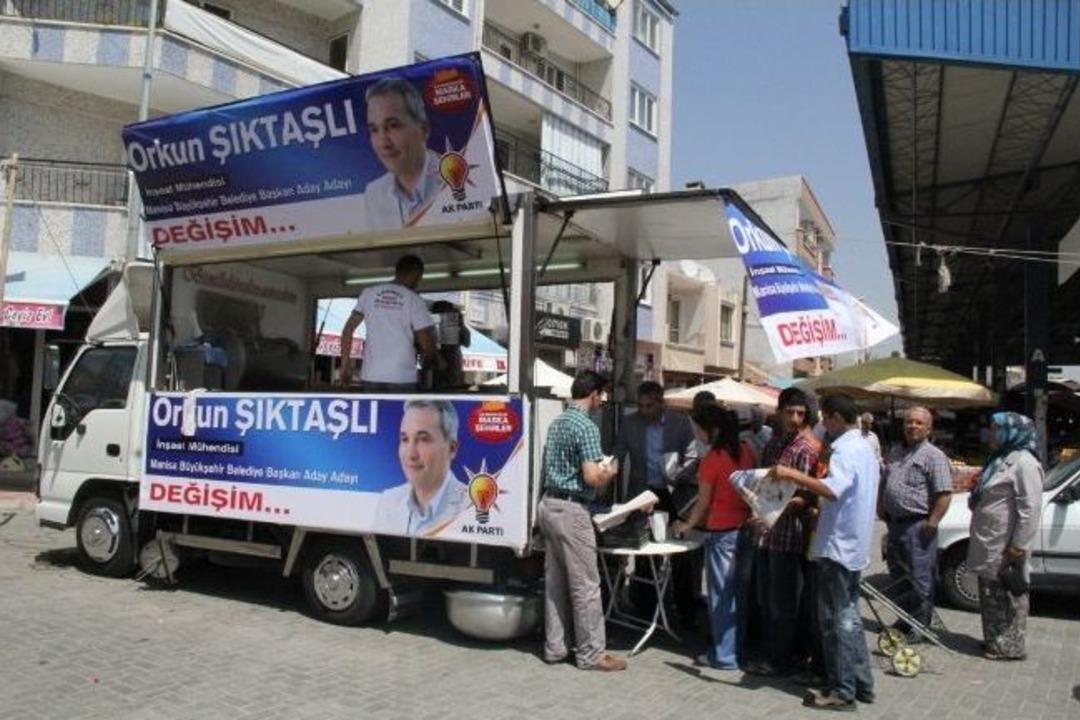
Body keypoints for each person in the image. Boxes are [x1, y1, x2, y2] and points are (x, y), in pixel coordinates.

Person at [769, 393, 879, 711]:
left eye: (823, 419)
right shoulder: (863, 447)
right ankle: (861, 683)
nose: (821, 426)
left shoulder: (845, 449)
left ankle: (842, 690)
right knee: (849, 617)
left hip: (839, 546)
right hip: (851, 543)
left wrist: (792, 474)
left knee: (836, 620)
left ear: (833, 417)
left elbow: (833, 488)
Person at [537, 370, 626, 671]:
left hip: (549, 504)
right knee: (586, 585)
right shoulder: (586, 426)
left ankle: (555, 647)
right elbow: (591, 475)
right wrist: (610, 471)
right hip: (573, 509)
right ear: (594, 394)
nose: (603, 401)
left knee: (555, 584)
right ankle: (591, 654)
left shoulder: (558, 422)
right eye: (603, 395)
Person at [741, 387, 823, 677]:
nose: (795, 418)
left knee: (783, 603)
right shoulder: (774, 444)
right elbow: (763, 484)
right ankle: (773, 653)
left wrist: (772, 512)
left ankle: (782, 660)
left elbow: (808, 496)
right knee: (765, 600)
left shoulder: (806, 448)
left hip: (788, 535)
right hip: (764, 534)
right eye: (790, 412)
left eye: (801, 413)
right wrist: (756, 506)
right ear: (779, 412)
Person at [672, 405, 753, 670]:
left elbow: (703, 502)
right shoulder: (746, 452)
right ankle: (737, 650)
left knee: (720, 596)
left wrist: (686, 525)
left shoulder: (711, 460)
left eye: (698, 429)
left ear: (712, 429)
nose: (697, 435)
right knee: (739, 595)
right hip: (744, 529)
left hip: (721, 532)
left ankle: (724, 655)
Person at [967, 411, 1043, 661]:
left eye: (996, 428)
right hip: (991, 540)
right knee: (990, 592)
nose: (991, 433)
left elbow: (1030, 508)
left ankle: (1010, 647)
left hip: (1007, 544)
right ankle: (994, 640)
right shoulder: (1000, 458)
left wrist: (1019, 545)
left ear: (1013, 432)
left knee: (1009, 595)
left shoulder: (1025, 463)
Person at [880, 406, 953, 639]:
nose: (912, 426)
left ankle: (921, 627)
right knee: (899, 578)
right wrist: (880, 506)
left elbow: (944, 493)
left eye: (919, 423)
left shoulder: (934, 456)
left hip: (918, 525)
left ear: (929, 428)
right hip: (894, 525)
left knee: (920, 579)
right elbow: (885, 481)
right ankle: (904, 620)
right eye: (909, 422)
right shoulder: (895, 452)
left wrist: (932, 522)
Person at [338, 254, 436, 391]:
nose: (419, 281)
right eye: (420, 277)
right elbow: (425, 340)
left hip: (371, 375)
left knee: (374, 412)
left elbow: (348, 330)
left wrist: (345, 365)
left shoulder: (369, 293)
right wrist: (433, 359)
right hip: (402, 377)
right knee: (399, 413)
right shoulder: (414, 299)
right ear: (415, 274)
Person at [375, 399, 469, 536]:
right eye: (405, 439)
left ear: (452, 449)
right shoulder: (388, 502)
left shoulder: (469, 506)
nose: (411, 454)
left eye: (423, 439)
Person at [360, 76, 443, 229]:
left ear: (423, 129)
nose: (383, 142)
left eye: (393, 126)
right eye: (374, 130)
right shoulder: (374, 194)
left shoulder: (452, 180)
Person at [614, 381, 699, 505]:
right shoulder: (629, 423)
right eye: (640, 406)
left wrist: (680, 476)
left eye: (649, 406)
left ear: (661, 403)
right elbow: (618, 454)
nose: (644, 411)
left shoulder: (680, 422)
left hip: (671, 492)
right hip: (640, 493)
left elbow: (692, 455)